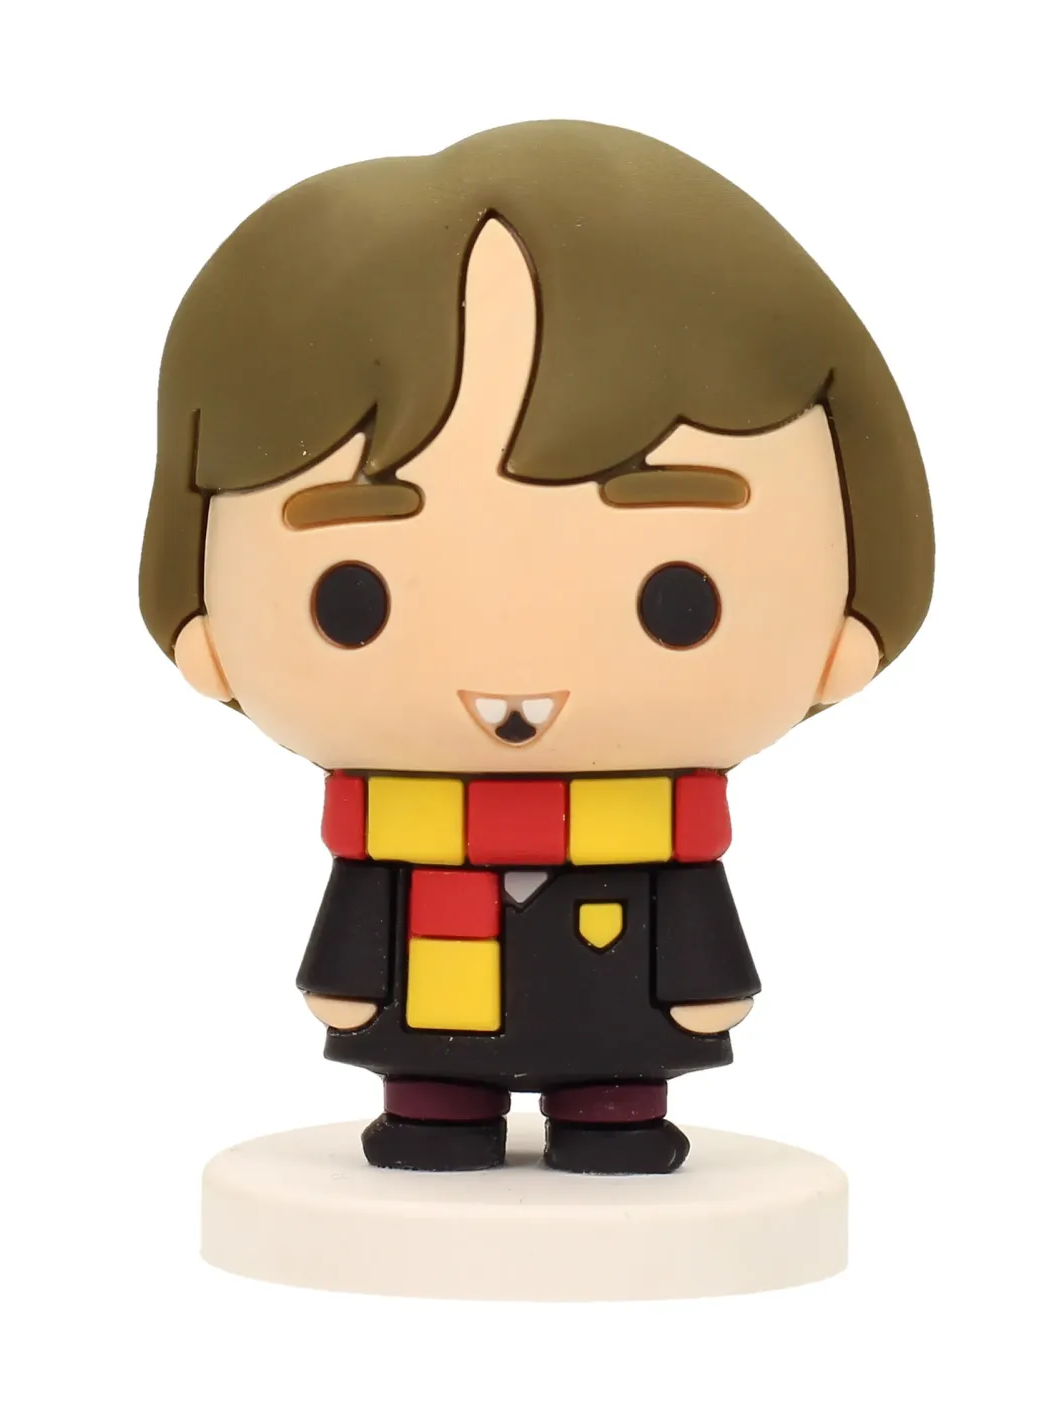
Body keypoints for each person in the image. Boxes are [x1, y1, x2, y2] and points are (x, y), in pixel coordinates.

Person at [140, 121, 933, 1173]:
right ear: (204, 625)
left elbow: (687, 911)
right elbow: (366, 907)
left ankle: (614, 1112)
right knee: (429, 1079)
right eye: (353, 600)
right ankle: (435, 1107)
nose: (512, 689)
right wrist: (350, 982)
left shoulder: (662, 830)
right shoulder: (392, 830)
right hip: (429, 1005)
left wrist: (701, 987)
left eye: (677, 600)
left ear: (847, 625)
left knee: (619, 1075)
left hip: (618, 1000)